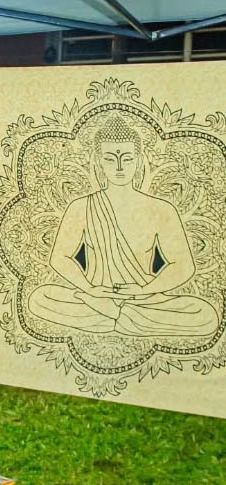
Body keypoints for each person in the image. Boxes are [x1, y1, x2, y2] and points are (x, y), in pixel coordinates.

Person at [28, 114, 219, 336]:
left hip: (143, 299)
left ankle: (115, 316)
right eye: (110, 159)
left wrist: (143, 290)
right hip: (97, 296)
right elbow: (59, 258)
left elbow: (183, 265)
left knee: (205, 315)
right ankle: (122, 318)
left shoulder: (161, 209)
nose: (119, 167)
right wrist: (90, 288)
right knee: (39, 298)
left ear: (138, 160)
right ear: (99, 161)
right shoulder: (81, 206)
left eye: (127, 159)